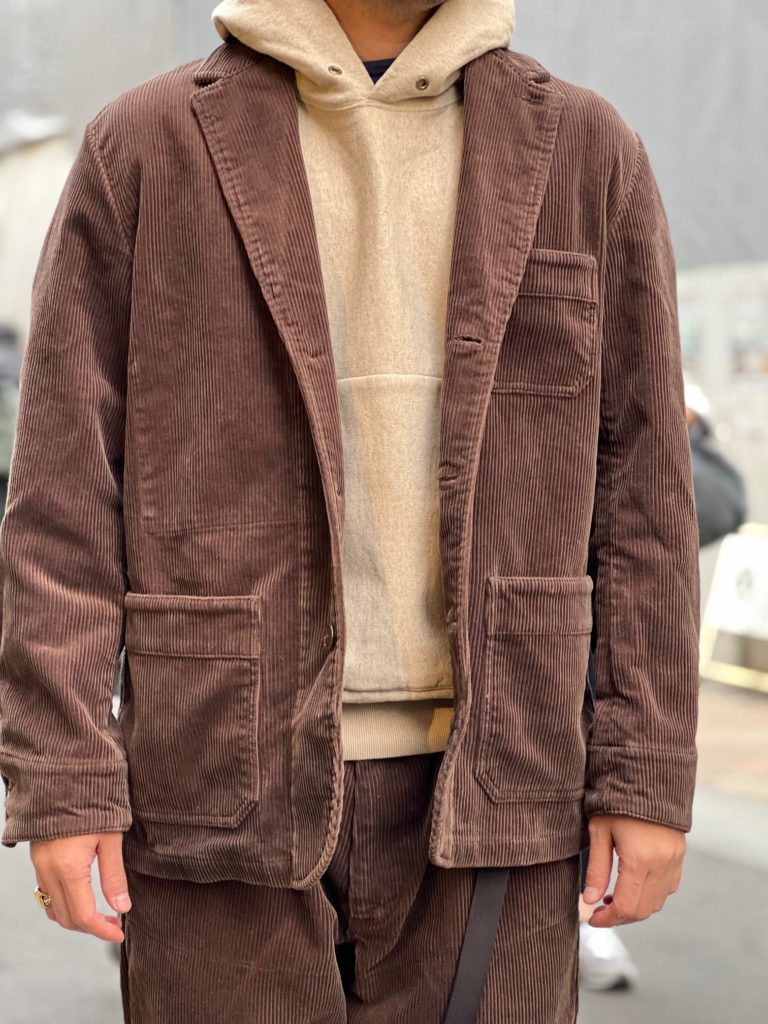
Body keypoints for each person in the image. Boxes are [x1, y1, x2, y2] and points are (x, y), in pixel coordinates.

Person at [0, 1, 701, 1021]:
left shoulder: (587, 152)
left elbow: (646, 498)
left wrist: (646, 773)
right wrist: (64, 776)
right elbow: (60, 497)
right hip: (214, 780)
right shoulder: (145, 147)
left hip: (502, 782)